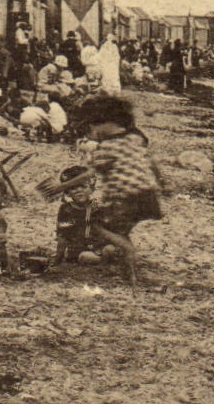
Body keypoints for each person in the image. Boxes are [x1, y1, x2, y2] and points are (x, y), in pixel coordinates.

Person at [55, 95, 164, 286]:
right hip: (147, 197)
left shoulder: (107, 147)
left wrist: (62, 186)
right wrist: (163, 182)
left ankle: (128, 253)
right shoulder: (135, 138)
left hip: (124, 199)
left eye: (92, 128)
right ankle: (129, 275)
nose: (92, 134)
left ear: (103, 123)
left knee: (95, 222)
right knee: (120, 231)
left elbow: (89, 173)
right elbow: (152, 162)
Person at [53, 163, 95, 264]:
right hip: (78, 251)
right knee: (84, 257)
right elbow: (62, 236)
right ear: (67, 192)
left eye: (83, 187)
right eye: (73, 188)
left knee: (110, 249)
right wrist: (58, 258)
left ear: (91, 188)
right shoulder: (67, 209)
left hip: (98, 247)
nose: (79, 191)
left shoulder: (97, 207)